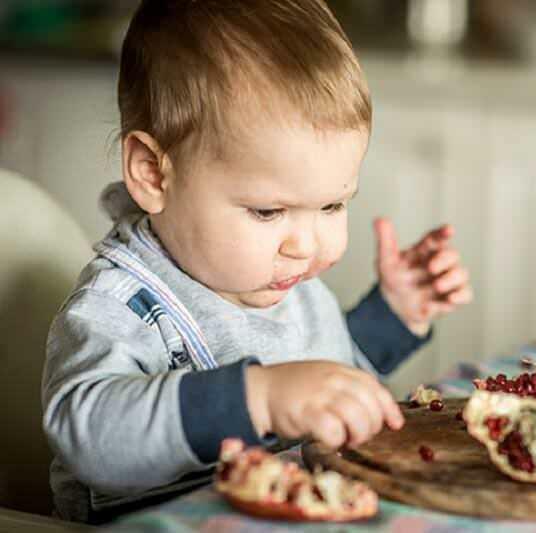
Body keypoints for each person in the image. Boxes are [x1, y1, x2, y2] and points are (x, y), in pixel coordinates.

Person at [41, 0, 472, 523]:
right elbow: (89, 436)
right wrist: (257, 399)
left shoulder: (273, 268)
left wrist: (396, 315)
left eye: (333, 205)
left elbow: (320, 371)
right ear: (154, 173)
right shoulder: (120, 305)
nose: (307, 245)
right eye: (268, 211)